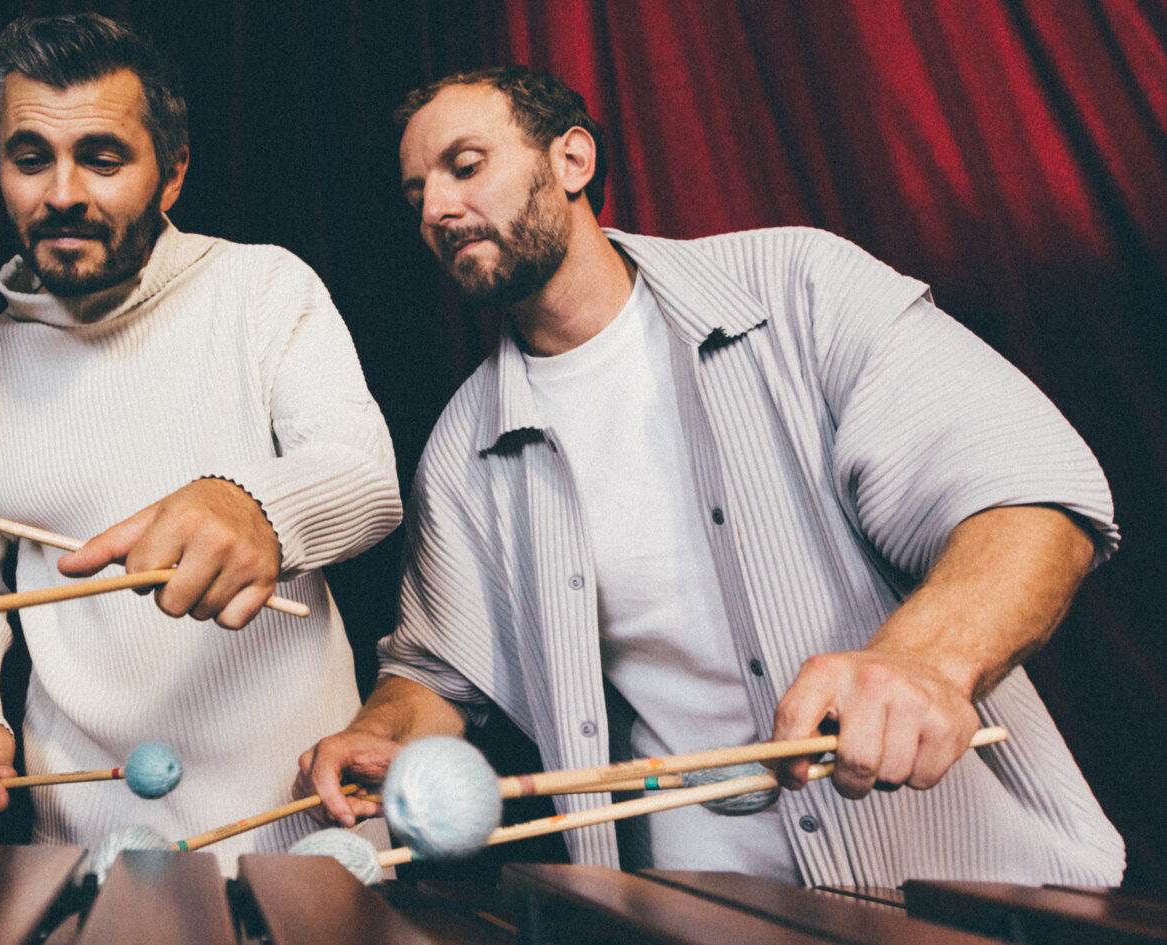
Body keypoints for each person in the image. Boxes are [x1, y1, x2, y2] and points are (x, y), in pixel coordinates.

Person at [298, 66, 1123, 886]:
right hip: (701, 898)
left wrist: (929, 659)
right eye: (418, 196)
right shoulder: (462, 449)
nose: (437, 210)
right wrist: (384, 730)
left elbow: (1029, 498)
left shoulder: (798, 287)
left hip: (960, 878)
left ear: (573, 160)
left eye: (466, 166)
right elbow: (438, 675)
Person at [0, 13, 400, 869]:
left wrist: (252, 507)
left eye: (102, 158)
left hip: (305, 836)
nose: (62, 193)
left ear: (171, 172)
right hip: (84, 848)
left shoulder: (263, 288)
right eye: (31, 158)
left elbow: (367, 478)